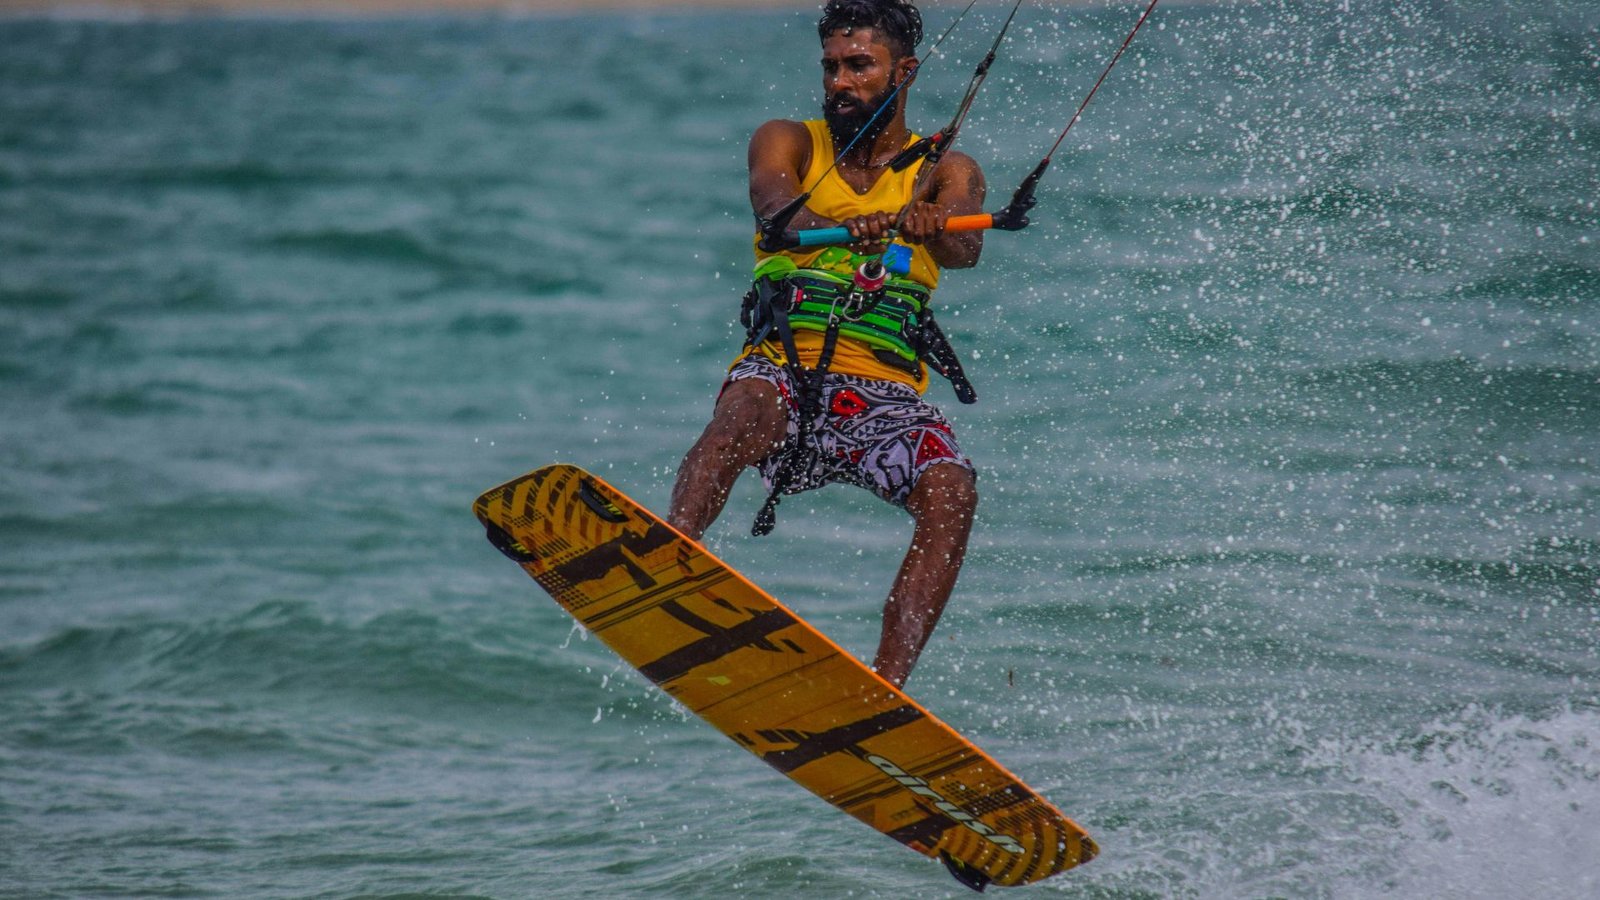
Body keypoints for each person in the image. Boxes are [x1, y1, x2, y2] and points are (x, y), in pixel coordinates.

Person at [668, 0, 987, 689]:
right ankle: (668, 570)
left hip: (882, 399)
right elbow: (777, 211)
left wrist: (933, 224)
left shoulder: (946, 171)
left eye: (858, 66)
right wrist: (859, 225)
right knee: (742, 415)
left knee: (952, 488)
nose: (840, 81)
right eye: (831, 67)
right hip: (786, 371)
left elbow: (966, 247)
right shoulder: (789, 141)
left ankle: (886, 690)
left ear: (903, 72)